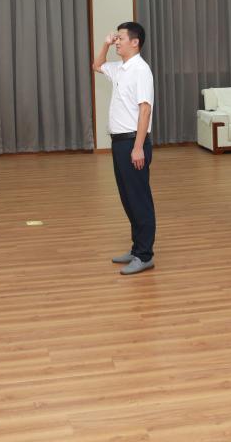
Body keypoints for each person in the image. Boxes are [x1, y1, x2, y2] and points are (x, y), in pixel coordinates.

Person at [92, 22, 156, 276]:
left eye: (120, 38)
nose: (116, 41)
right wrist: (105, 44)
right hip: (120, 143)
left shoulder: (141, 70)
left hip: (133, 142)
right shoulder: (121, 68)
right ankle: (137, 248)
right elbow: (97, 65)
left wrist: (138, 147)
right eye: (115, 38)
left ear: (135, 42)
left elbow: (145, 109)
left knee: (139, 199)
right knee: (128, 199)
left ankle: (145, 255)